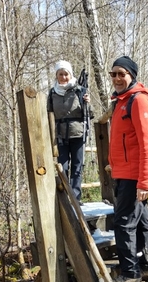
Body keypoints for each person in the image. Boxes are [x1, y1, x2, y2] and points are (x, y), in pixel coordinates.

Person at [107, 56, 148, 282]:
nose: (118, 78)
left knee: (124, 223)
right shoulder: (121, 101)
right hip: (125, 173)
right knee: (141, 221)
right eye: (114, 74)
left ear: (131, 75)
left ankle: (130, 273)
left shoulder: (138, 101)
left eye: (122, 74)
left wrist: (144, 181)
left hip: (134, 175)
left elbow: (147, 144)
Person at [47, 60, 93, 202]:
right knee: (63, 167)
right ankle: (66, 198)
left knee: (77, 166)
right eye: (60, 74)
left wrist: (88, 104)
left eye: (66, 74)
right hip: (60, 135)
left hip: (78, 133)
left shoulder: (79, 90)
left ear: (70, 74)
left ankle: (76, 198)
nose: (63, 77)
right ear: (56, 75)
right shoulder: (53, 93)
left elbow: (90, 114)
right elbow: (48, 113)